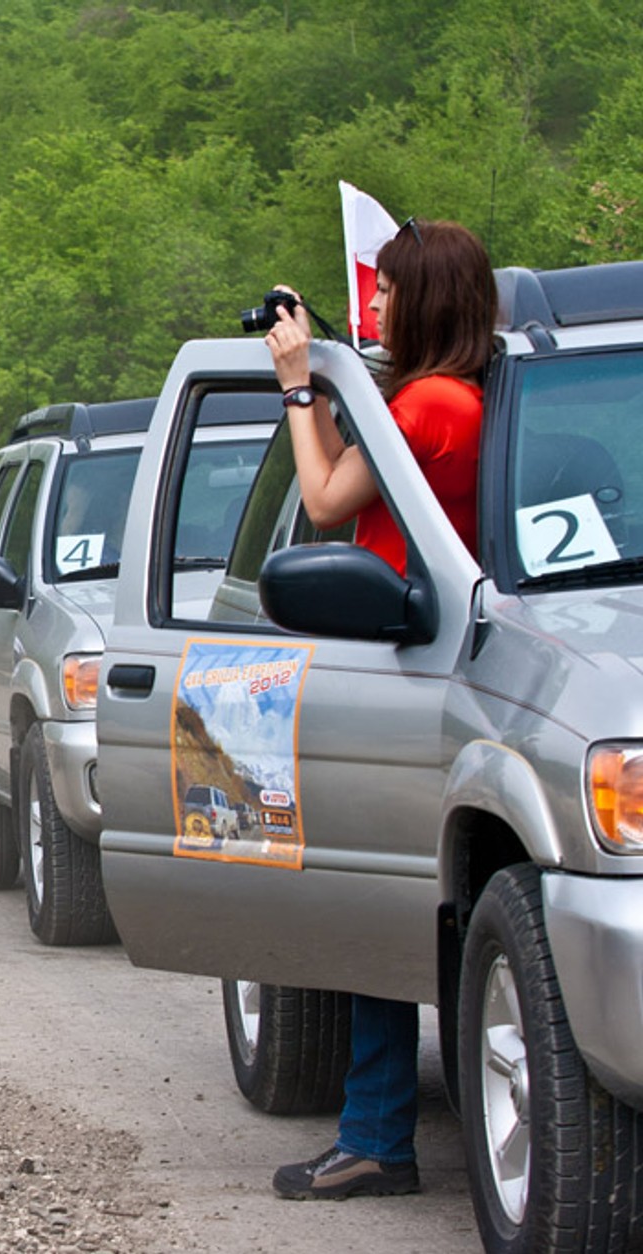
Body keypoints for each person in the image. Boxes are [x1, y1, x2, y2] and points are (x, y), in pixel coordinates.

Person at [262, 218, 496, 1201]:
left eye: (390, 291)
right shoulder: (464, 397)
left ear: (427, 298)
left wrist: (292, 385)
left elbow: (320, 500)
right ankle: (373, 1126)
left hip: (401, 673)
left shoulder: (432, 405)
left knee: (373, 906)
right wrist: (320, 385)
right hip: (429, 667)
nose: (377, 307)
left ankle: (374, 1134)